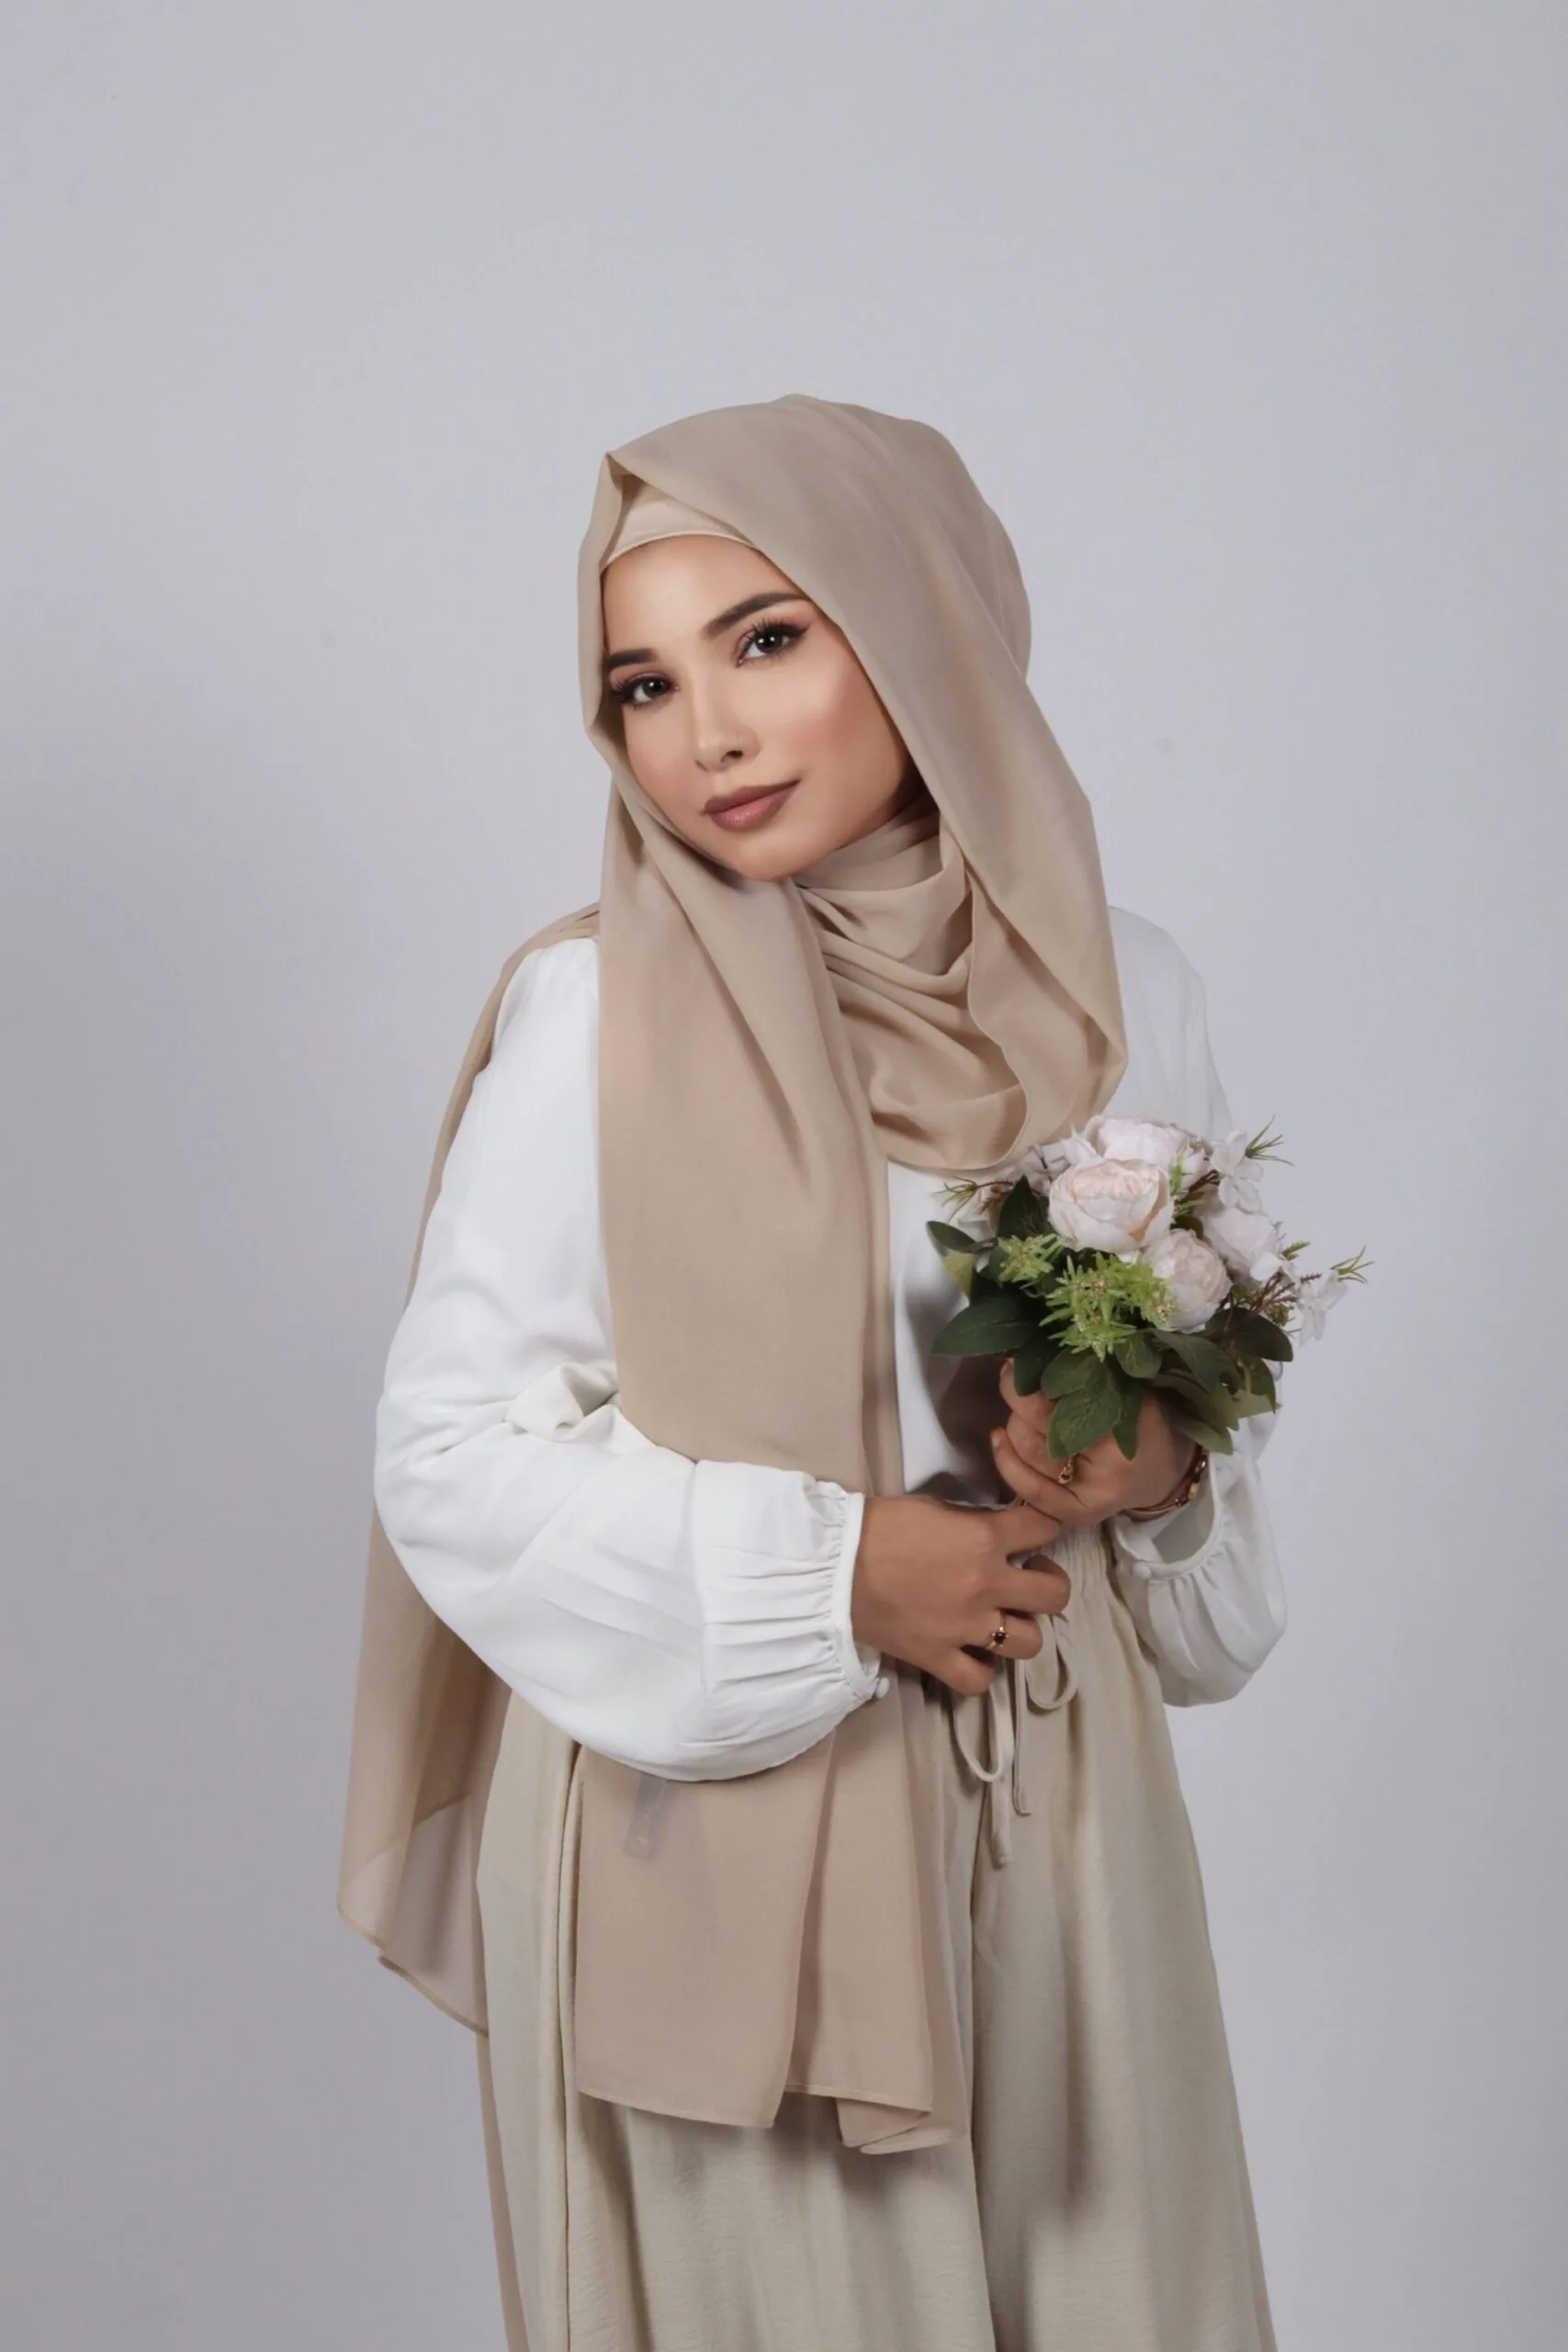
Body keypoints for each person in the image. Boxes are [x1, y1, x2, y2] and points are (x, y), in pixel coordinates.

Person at [340, 394, 1288, 2351]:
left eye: (764, 638)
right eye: (641, 684)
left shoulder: (1125, 987)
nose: (705, 732)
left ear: (922, 620)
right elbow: (447, 1456)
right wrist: (836, 1571)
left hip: (1066, 1822)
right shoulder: (596, 1004)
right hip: (718, 1840)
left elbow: (1201, 1558)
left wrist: (1161, 1476)